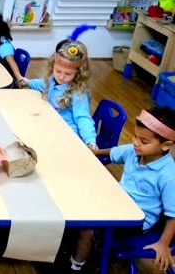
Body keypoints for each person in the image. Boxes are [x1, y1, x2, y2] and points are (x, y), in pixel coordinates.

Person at [68, 106, 175, 272]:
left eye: (144, 141)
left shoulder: (169, 176)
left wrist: (163, 243)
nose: (135, 142)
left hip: (134, 220)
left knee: (87, 225)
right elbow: (113, 152)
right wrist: (91, 152)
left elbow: (173, 216)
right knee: (79, 195)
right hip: (116, 202)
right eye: (135, 136)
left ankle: (77, 265)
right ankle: (78, 244)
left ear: (166, 145)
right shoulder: (135, 151)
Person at [19, 25, 98, 150]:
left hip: (67, 134)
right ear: (52, 66)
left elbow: (83, 118)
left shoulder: (78, 93)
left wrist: (90, 140)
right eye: (58, 71)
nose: (61, 77)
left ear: (79, 73)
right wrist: (28, 82)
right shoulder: (53, 80)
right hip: (50, 124)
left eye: (68, 74)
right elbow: (42, 84)